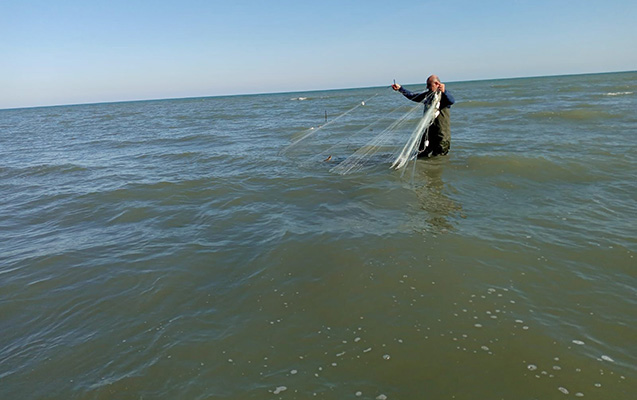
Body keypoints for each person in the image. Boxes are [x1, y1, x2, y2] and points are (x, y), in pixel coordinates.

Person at [392, 75, 455, 157]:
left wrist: (444, 91)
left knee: (439, 158)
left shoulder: (444, 96)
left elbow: (451, 100)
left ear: (437, 84)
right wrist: (400, 89)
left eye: (429, 85)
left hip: (441, 135)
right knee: (421, 154)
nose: (427, 87)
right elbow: (413, 96)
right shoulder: (428, 96)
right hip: (428, 133)